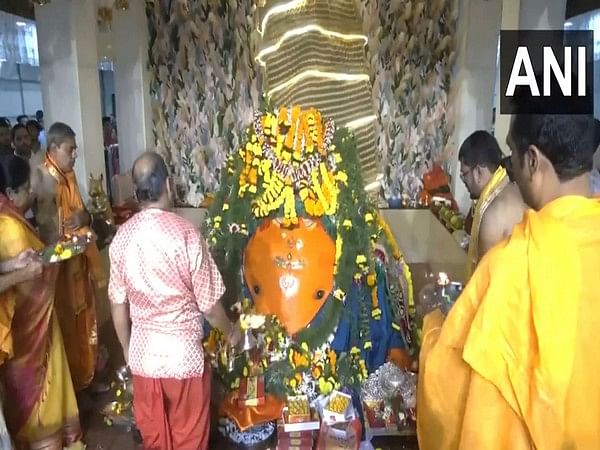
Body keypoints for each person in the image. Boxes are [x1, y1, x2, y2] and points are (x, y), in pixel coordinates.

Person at [417, 110, 600, 449]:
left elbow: (449, 397)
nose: (510, 168)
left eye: (512, 155)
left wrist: (431, 328)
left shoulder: (512, 266)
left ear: (532, 160)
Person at [109, 152, 235, 450]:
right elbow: (210, 308)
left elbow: (117, 306)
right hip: (183, 360)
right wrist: (232, 333)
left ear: (137, 192)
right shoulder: (186, 235)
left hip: (144, 359)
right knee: (188, 439)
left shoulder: (122, 238)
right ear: (168, 184)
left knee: (155, 440)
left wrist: (129, 352)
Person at [0, 155, 84, 449]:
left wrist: (15, 264)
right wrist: (43, 266)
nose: (31, 193)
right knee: (30, 390)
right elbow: (29, 285)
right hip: (26, 328)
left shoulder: (10, 216)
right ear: (10, 194)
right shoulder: (7, 225)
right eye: (26, 189)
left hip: (37, 326)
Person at [30, 122, 106, 393]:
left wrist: (81, 218)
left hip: (78, 259)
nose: (75, 155)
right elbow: (32, 222)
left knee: (85, 319)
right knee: (66, 325)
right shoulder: (41, 178)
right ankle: (71, 388)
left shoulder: (70, 177)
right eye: (70, 150)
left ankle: (87, 377)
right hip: (57, 269)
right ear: (53, 148)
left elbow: (87, 214)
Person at [458, 130, 526, 277]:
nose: (463, 181)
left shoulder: (494, 213)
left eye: (464, 174)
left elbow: (485, 284)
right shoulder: (512, 188)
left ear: (478, 172)